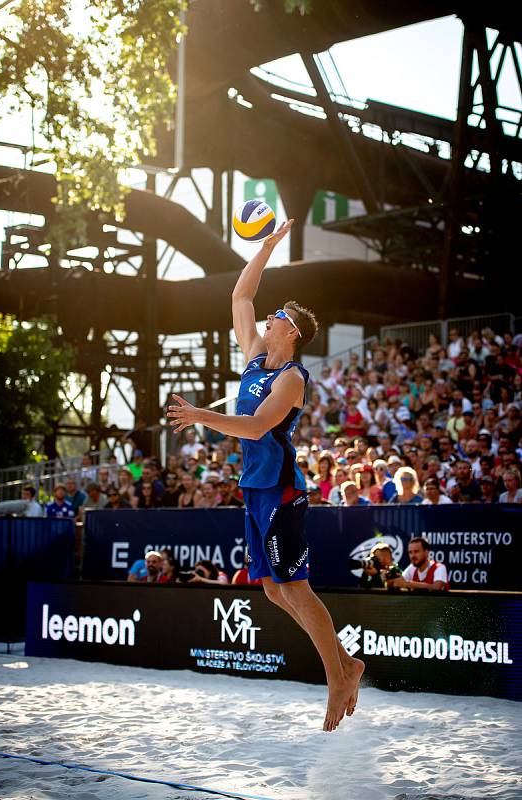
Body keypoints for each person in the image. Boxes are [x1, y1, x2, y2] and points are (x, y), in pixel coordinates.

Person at [167, 220, 363, 732]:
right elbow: (240, 295)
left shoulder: (292, 377)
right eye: (272, 313)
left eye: (279, 315)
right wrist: (268, 248)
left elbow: (256, 428)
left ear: (292, 332)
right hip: (254, 489)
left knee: (294, 588)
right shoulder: (255, 359)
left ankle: (337, 675)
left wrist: (201, 416)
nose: (270, 315)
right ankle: (347, 664)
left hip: (281, 489)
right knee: (274, 591)